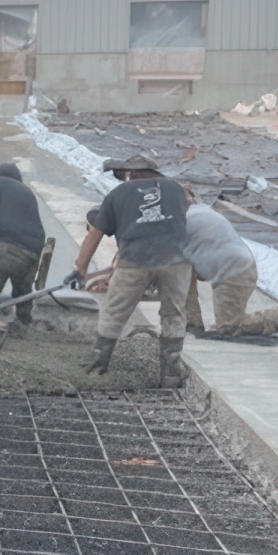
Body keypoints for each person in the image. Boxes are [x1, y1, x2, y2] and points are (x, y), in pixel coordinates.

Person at [71, 154, 191, 386]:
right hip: (177, 259)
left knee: (114, 310)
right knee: (174, 313)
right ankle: (170, 373)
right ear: (155, 173)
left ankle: (99, 363)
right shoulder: (176, 189)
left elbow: (94, 234)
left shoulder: (118, 194)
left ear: (129, 175)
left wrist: (80, 269)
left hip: (135, 259)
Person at [183, 192, 278, 339]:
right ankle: (192, 323)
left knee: (229, 328)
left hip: (232, 273)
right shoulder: (202, 210)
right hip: (241, 267)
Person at [0, 162, 47, 324]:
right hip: (35, 250)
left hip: (7, 248)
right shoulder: (28, 192)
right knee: (23, 294)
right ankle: (23, 323)